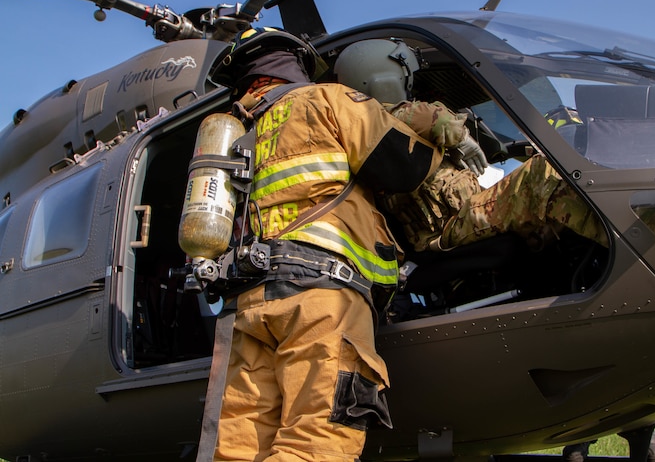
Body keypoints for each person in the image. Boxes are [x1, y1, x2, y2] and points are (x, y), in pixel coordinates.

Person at [206, 27, 441, 462]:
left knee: (238, 450)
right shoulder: (324, 99)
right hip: (319, 295)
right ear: (295, 65)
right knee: (318, 441)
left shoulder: (234, 138)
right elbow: (406, 167)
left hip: (248, 306)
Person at [333, 38, 608, 255]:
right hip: (448, 227)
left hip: (463, 214)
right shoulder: (377, 118)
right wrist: (462, 139)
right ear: (385, 77)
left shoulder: (382, 126)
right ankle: (641, 251)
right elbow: (435, 118)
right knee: (543, 174)